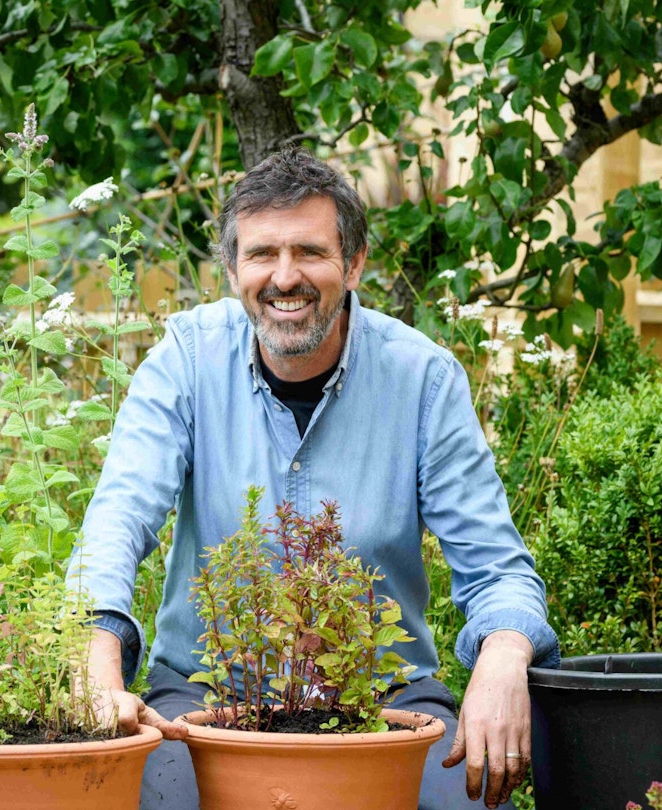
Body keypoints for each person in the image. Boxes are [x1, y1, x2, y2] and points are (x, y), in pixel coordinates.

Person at [71, 148, 559, 810]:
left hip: (380, 696)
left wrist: (504, 657)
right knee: (151, 799)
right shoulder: (184, 361)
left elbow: (499, 569)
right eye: (262, 254)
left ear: (353, 264)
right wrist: (97, 654)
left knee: (465, 798)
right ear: (233, 269)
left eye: (309, 252)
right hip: (206, 691)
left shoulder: (423, 380)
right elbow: (119, 515)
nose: (284, 277)